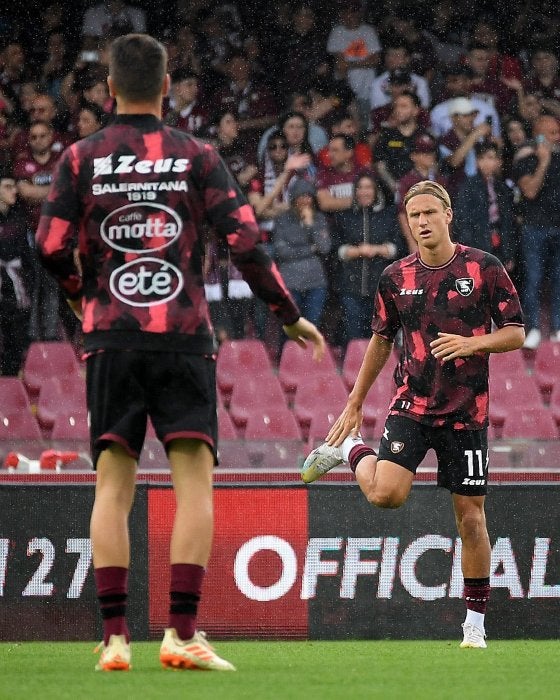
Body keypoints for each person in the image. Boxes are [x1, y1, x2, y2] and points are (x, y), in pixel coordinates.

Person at [36, 33, 324, 673]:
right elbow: (246, 239)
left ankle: (115, 639)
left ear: (108, 89)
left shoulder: (81, 157)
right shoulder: (197, 155)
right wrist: (289, 315)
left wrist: (86, 294)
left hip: (110, 336)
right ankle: (181, 632)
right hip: (183, 338)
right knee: (194, 483)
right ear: (166, 88)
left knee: (113, 484)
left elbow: (49, 244)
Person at [301, 180, 525, 649]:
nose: (421, 222)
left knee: (470, 520)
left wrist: (472, 343)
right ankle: (349, 447)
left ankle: (475, 627)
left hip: (467, 412)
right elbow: (382, 339)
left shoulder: (484, 267)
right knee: (386, 496)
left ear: (447, 214)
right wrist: (355, 401)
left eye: (428, 212)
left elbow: (515, 333)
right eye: (413, 215)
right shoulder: (394, 276)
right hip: (412, 406)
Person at [332, 171, 404, 342]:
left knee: (377, 335)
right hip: (350, 286)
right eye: (360, 188)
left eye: (369, 187)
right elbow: (336, 249)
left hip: (379, 286)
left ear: (376, 190)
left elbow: (397, 247)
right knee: (353, 332)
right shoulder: (345, 216)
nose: (364, 192)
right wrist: (357, 251)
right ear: (355, 191)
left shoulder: (387, 216)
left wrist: (376, 249)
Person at [512, 114, 560, 348]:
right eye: (552, 132)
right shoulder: (526, 159)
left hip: (558, 226)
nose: (557, 136)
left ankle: (557, 327)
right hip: (534, 228)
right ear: (538, 134)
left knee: (559, 279)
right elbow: (529, 191)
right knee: (533, 279)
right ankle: (532, 329)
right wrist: (543, 161)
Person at [273, 178, 331, 328]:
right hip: (290, 281)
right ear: (293, 199)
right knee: (290, 326)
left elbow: (324, 248)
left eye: (308, 196)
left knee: (312, 326)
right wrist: (310, 249)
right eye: (301, 196)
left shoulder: (319, 219)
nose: (305, 201)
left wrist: (310, 225)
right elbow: (282, 252)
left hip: (315, 282)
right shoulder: (282, 220)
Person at [454, 142, 516, 272]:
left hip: (498, 242)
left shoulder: (502, 187)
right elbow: (463, 221)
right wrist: (468, 253)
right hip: (477, 243)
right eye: (484, 158)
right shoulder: (468, 187)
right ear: (477, 161)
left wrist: (509, 253)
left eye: (492, 158)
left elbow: (508, 222)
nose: (488, 162)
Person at [0, 170, 32, 375]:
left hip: (15, 287)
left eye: (14, 187)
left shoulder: (20, 218)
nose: (14, 191)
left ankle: (11, 376)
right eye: (7, 187)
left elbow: (26, 254)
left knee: (16, 331)